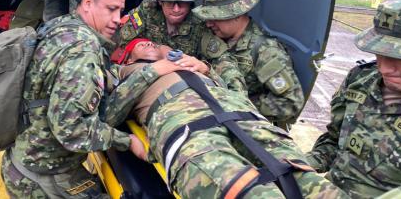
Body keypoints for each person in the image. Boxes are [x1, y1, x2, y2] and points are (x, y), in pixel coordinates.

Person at [0, 0, 180, 198]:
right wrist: (128, 140)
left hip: (25, 162)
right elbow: (70, 129)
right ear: (87, 3)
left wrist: (139, 72)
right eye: (111, 9)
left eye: (121, 11)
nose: (117, 18)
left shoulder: (63, 27)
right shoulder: (82, 51)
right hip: (44, 178)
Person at [103, 38, 349, 199]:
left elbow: (233, 88)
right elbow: (109, 114)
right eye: (140, 44)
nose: (149, 44)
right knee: (247, 192)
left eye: (152, 41)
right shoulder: (123, 72)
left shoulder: (187, 61)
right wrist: (152, 71)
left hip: (240, 114)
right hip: (186, 124)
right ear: (127, 56)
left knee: (309, 181)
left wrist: (205, 68)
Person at [306, 0, 401, 198]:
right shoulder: (361, 78)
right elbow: (334, 140)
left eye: (399, 56)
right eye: (380, 52)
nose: (384, 67)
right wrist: (303, 164)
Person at [192, 0, 305, 127]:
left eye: (215, 18)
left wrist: (241, 103)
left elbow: (291, 103)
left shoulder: (266, 51)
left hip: (247, 125)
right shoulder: (218, 36)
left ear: (237, 14)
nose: (208, 24)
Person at [119, 0, 206, 56]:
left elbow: (216, 62)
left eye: (182, 2)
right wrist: (152, 51)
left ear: (190, 2)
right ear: (160, 1)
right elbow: (124, 40)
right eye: (169, 2)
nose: (176, 9)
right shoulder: (147, 9)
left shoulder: (200, 22)